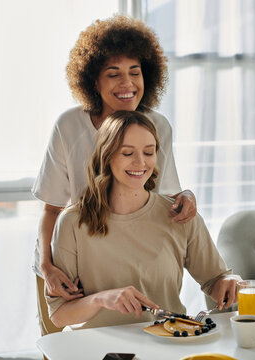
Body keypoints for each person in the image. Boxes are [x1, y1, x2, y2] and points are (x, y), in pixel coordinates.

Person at [32, 15, 197, 334]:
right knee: (63, 350)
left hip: (123, 262)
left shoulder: (157, 125)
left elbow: (165, 194)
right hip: (67, 266)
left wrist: (186, 196)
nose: (128, 84)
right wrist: (47, 267)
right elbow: (51, 209)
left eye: (135, 72)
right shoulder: (69, 126)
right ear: (93, 81)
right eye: (114, 74)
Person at [46, 111, 241, 329]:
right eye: (128, 153)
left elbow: (215, 280)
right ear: (107, 156)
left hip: (167, 343)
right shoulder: (73, 222)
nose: (140, 163)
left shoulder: (180, 214)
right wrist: (101, 299)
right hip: (100, 349)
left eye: (149, 152)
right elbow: (59, 315)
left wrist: (230, 284)